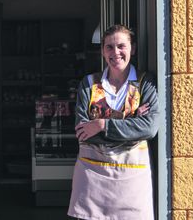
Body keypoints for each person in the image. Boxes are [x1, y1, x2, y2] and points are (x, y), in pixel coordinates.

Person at [67, 24, 159, 220]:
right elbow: (83, 131)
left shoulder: (145, 83)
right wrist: (130, 120)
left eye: (121, 46)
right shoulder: (89, 83)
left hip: (131, 183)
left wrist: (101, 124)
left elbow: (149, 128)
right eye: (109, 47)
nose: (115, 52)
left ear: (132, 49)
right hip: (92, 180)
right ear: (102, 51)